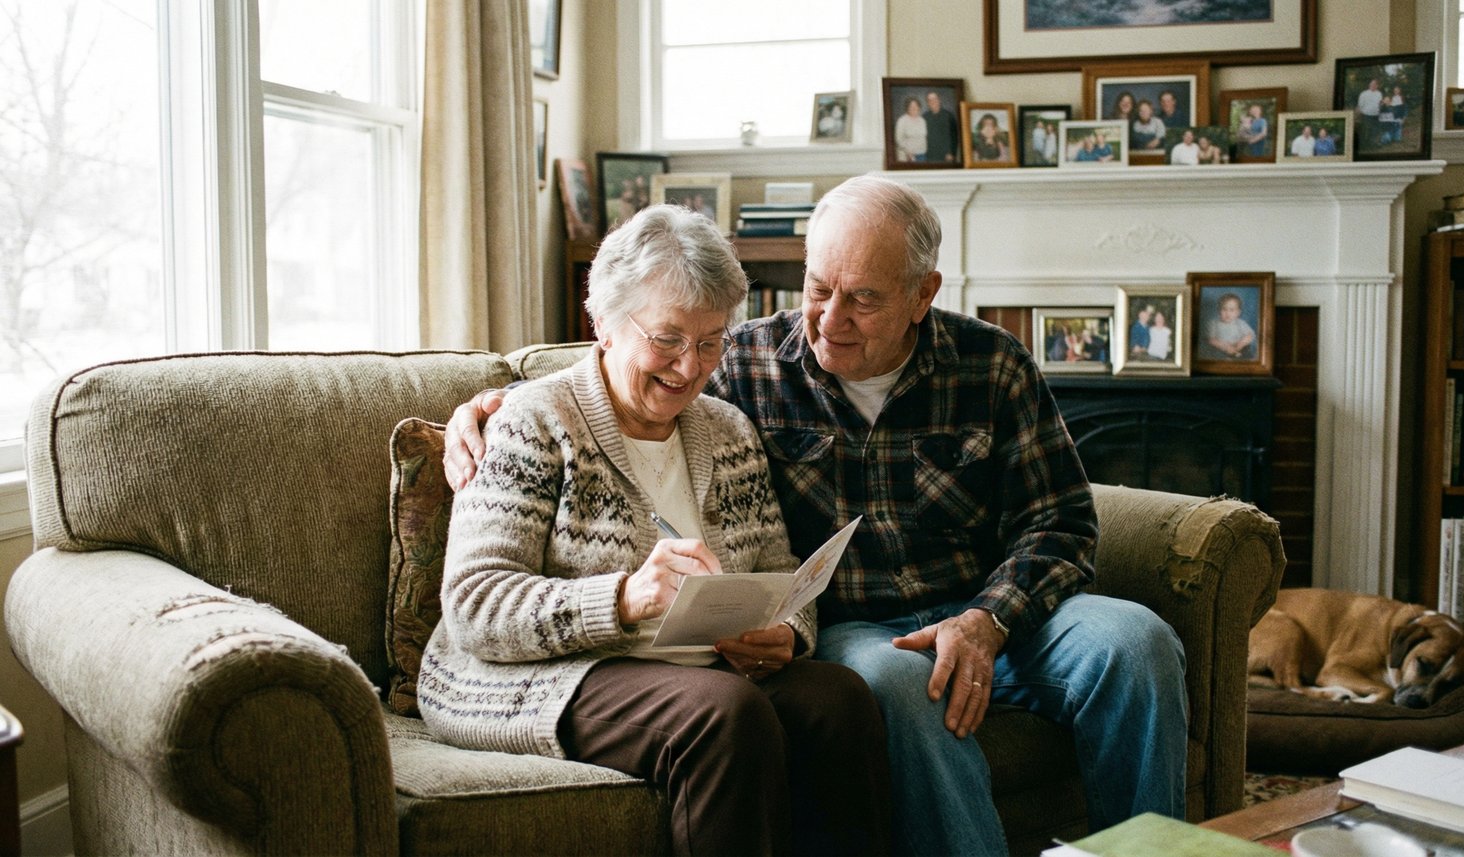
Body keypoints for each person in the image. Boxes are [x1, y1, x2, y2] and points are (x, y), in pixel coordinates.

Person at [444, 176, 1190, 856]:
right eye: (817, 287)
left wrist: (989, 619)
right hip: (863, 624)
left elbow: (1060, 522)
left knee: (1137, 640)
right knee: (894, 684)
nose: (829, 319)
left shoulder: (990, 365)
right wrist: (482, 407)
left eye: (863, 298)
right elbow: (626, 354)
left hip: (993, 610)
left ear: (922, 294)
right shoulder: (747, 359)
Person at [421, 204, 892, 856]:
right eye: (668, 339)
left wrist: (784, 633)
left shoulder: (727, 431)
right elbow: (475, 605)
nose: (690, 366)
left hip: (696, 667)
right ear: (606, 325)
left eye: (710, 341)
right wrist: (620, 599)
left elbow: (778, 568)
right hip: (544, 672)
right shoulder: (532, 422)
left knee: (838, 698)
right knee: (724, 713)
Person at [1203, 292, 1256, 359]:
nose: (1227, 313)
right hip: (1221, 349)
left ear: (1238, 313)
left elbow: (1250, 335)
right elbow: (1210, 339)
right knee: (1214, 352)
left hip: (1239, 347)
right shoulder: (1213, 324)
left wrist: (1240, 344)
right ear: (1219, 310)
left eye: (1231, 310)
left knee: (1247, 351)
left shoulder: (1240, 323)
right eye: (1224, 309)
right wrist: (1225, 347)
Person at [923, 90, 959, 164]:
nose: (933, 101)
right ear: (928, 103)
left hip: (946, 156)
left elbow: (954, 137)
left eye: (935, 99)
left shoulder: (949, 116)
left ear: (939, 100)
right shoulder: (924, 117)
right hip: (929, 155)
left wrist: (951, 153)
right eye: (930, 100)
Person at [895, 96, 927, 163]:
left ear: (919, 107)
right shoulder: (902, 120)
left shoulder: (922, 120)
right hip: (908, 156)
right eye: (911, 106)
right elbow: (899, 139)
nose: (914, 108)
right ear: (907, 108)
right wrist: (908, 152)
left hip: (922, 154)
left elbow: (924, 137)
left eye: (916, 106)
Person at [1356, 77, 1384, 145]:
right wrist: (1358, 114)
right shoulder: (1364, 93)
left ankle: (1373, 143)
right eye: (1371, 84)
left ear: (1377, 86)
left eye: (1375, 84)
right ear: (1369, 85)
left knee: (1375, 130)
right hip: (1366, 115)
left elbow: (1380, 104)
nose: (1373, 85)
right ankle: (1365, 144)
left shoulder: (1379, 94)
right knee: (1366, 130)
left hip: (1376, 115)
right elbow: (1360, 105)